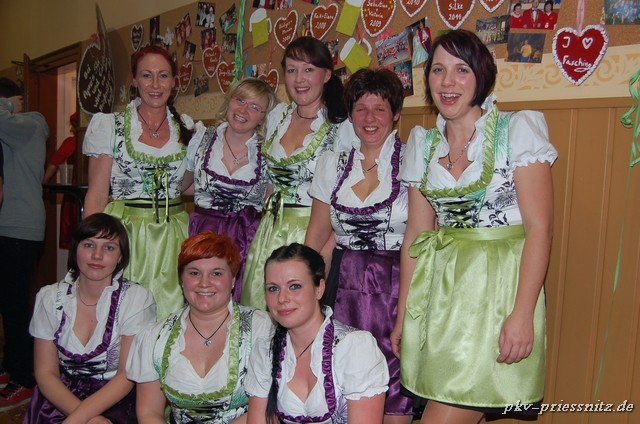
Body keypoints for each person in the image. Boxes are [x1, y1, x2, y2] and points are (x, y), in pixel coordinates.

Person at [391, 29, 556, 423]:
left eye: (461, 70)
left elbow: (539, 228)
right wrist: (403, 315)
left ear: (481, 75)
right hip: (443, 295)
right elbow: (417, 237)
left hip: (500, 293)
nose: (447, 82)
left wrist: (522, 314)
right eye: (438, 70)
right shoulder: (423, 145)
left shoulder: (516, 131)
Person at [305, 68, 412, 423]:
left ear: (395, 114)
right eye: (360, 109)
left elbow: (426, 236)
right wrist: (306, 294)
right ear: (350, 114)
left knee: (396, 386)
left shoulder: (414, 161)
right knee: (342, 378)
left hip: (398, 287)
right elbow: (317, 237)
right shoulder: (332, 164)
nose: (369, 118)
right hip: (343, 286)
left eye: (379, 109)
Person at [83, 45, 206, 321]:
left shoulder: (187, 128)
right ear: (135, 80)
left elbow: (183, 187)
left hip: (174, 235)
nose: (155, 84)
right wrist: (92, 248)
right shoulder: (110, 126)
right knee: (125, 315)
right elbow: (97, 194)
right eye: (147, 75)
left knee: (173, 314)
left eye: (163, 76)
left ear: (174, 82)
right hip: (126, 234)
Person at [240, 36, 348, 310]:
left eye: (308, 69)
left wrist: (326, 252)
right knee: (262, 315)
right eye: (291, 70)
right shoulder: (277, 117)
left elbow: (345, 201)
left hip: (313, 234)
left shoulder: (341, 127)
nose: (299, 79)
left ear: (326, 75)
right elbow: (267, 184)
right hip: (270, 232)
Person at [126, 231, 273, 423]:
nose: (204, 283)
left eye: (216, 273)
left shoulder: (262, 329)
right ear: (181, 279)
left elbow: (270, 411)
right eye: (194, 273)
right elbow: (149, 413)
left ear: (233, 280)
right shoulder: (154, 337)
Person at [24, 213, 156, 423]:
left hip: (115, 399)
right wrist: (87, 419)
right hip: (60, 398)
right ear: (75, 249)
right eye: (88, 245)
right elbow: (45, 373)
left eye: (109, 247)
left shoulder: (136, 299)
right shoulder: (49, 297)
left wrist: (79, 419)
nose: (97, 255)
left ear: (121, 256)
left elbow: (125, 376)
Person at [245, 243, 389, 423]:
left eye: (294, 286)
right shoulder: (266, 349)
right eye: (273, 288)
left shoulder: (355, 348)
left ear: (319, 288)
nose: (282, 298)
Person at [183, 78, 277, 301]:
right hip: (202, 235)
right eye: (240, 100)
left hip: (246, 239)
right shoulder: (202, 139)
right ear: (229, 101)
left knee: (240, 303)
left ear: (263, 117)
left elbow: (269, 201)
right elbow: (184, 186)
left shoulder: (270, 152)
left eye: (254, 107)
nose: (243, 110)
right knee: (202, 298)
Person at [0, 77, 49, 409]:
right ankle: (11, 366)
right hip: (8, 226)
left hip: (21, 227)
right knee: (8, 304)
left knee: (16, 306)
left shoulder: (29, 125)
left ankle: (25, 379)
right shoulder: (11, 128)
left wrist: (8, 105)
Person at [43, 112, 80, 249]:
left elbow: (55, 161)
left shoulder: (72, 142)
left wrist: (44, 181)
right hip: (78, 191)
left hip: (74, 194)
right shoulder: (75, 142)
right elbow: (56, 160)